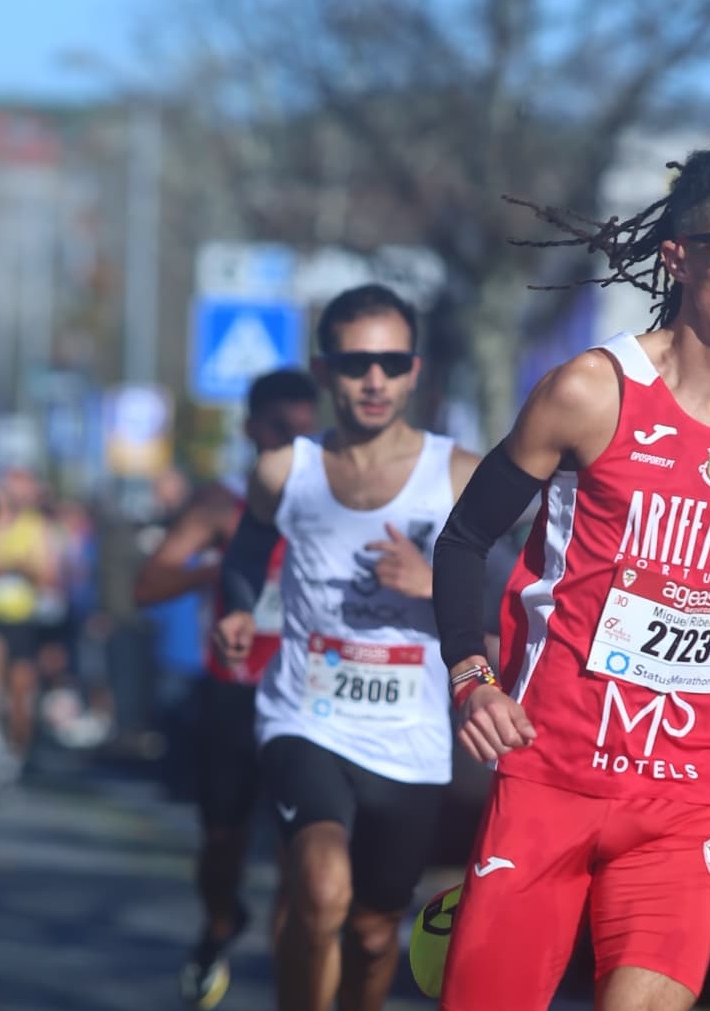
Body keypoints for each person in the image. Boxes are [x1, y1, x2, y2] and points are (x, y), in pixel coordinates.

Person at [429, 143, 710, 1011]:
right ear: (677, 257)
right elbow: (462, 541)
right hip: (548, 776)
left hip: (684, 801)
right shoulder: (591, 393)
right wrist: (470, 674)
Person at [212, 283, 480, 1011]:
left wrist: (435, 584)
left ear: (414, 369)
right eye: (356, 362)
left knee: (370, 931)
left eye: (391, 362)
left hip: (410, 735)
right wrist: (237, 609)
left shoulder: (458, 476)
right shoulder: (283, 470)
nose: (374, 379)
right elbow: (245, 552)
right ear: (325, 368)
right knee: (321, 888)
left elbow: (520, 596)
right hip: (307, 714)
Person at [134, 368, 319, 1009]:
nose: (291, 440)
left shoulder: (336, 495)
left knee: (305, 858)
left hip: (310, 701)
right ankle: (220, 920)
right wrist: (225, 564)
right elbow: (147, 584)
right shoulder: (223, 502)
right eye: (278, 428)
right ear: (250, 430)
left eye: (303, 428)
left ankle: (290, 982)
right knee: (223, 843)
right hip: (233, 696)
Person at [0, 466, 55, 784]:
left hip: (22, 618)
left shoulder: (36, 526)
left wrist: (18, 567)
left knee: (21, 692)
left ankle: (17, 750)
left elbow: (47, 574)